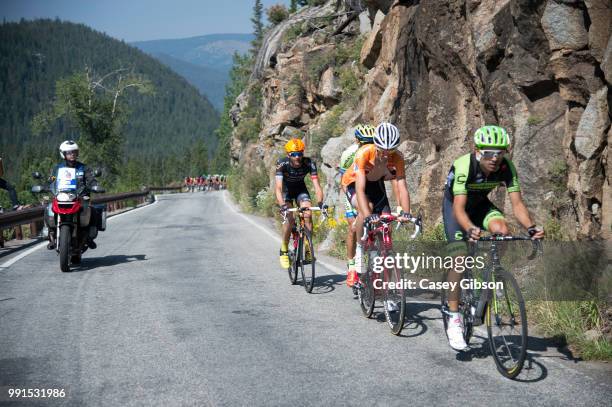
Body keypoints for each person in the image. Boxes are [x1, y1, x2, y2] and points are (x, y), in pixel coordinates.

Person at [442, 125, 544, 351]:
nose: (495, 158)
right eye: (489, 152)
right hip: (455, 208)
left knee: (503, 231)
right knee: (459, 258)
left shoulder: (506, 167)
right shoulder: (463, 166)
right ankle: (454, 318)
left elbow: (517, 204)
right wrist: (469, 228)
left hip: (480, 205)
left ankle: (491, 273)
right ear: (477, 151)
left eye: (500, 152)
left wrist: (531, 228)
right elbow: (459, 208)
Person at [341, 122, 413, 311]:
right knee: (368, 211)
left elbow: (401, 185)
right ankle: (358, 255)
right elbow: (360, 188)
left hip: (377, 185)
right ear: (376, 144)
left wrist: (406, 212)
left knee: (387, 224)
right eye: (383, 150)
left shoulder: (397, 157)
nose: (386, 154)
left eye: (391, 150)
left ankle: (388, 291)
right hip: (354, 184)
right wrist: (367, 215)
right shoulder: (364, 153)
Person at [337, 124, 376, 289]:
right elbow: (344, 180)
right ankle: (352, 266)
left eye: (371, 141)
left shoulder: (376, 150)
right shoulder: (349, 154)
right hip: (351, 187)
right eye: (364, 142)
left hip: (369, 187)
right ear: (357, 141)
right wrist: (352, 201)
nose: (368, 145)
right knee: (354, 227)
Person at [276, 138, 324, 269]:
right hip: (286, 192)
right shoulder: (282, 163)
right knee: (289, 220)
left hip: (300, 190)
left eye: (300, 154)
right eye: (294, 154)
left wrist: (320, 202)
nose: (297, 157)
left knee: (308, 214)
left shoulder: (309, 163)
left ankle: (308, 247)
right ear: (288, 155)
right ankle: (284, 249)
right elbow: (278, 188)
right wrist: (282, 205)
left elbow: (317, 186)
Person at [47, 140, 100, 250]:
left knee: (92, 210)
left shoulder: (84, 168)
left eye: (74, 152)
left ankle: (89, 237)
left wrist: (95, 185)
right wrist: (46, 184)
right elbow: (52, 179)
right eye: (69, 152)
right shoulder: (57, 168)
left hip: (81, 196)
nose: (72, 154)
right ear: (63, 154)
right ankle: (51, 234)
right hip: (62, 195)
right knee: (48, 209)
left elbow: (91, 179)